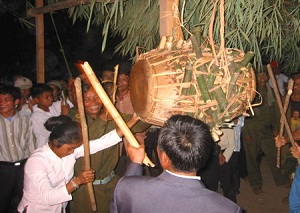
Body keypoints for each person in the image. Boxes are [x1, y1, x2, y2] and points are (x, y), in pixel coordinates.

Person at [110, 115, 243, 213]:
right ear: (203, 158)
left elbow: (127, 193)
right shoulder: (228, 209)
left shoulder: (126, 188)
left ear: (163, 157)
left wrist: (135, 164)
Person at [17, 114, 138, 213]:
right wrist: (78, 181)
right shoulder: (37, 162)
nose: (72, 152)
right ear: (55, 142)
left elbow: (102, 143)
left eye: (75, 148)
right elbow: (48, 197)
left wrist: (132, 121)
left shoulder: (69, 151)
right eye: (70, 148)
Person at [69, 83, 150, 213]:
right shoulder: (74, 118)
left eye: (96, 97)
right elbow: (91, 140)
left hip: (110, 183)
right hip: (86, 190)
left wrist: (149, 109)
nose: (93, 102)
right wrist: (103, 120)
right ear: (79, 101)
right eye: (87, 99)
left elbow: (140, 125)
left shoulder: (112, 116)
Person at [242, 70, 289, 195]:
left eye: (264, 76)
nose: (262, 78)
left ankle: (280, 179)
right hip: (252, 130)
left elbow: (273, 111)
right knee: (251, 158)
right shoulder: (252, 93)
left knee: (273, 154)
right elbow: (244, 115)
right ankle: (256, 184)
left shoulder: (271, 92)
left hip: (267, 129)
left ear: (268, 77)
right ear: (255, 78)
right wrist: (246, 133)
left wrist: (275, 127)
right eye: (259, 76)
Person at [0, 86, 36, 213]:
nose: (2, 103)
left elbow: (31, 144)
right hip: (3, 169)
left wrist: (32, 166)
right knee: (2, 201)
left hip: (23, 167)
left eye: (6, 99)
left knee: (21, 201)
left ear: (16, 102)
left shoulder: (25, 120)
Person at [200, 127, 236, 203]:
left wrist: (224, 158)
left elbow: (232, 145)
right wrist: (217, 153)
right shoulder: (209, 127)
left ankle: (231, 205)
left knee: (227, 183)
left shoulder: (228, 128)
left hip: (225, 155)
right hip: (211, 156)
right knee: (210, 184)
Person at [30, 83, 61, 148]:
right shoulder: (36, 117)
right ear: (36, 100)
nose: (50, 99)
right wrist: (63, 115)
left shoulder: (53, 106)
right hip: (45, 148)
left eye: (51, 96)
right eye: (46, 97)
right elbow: (53, 135)